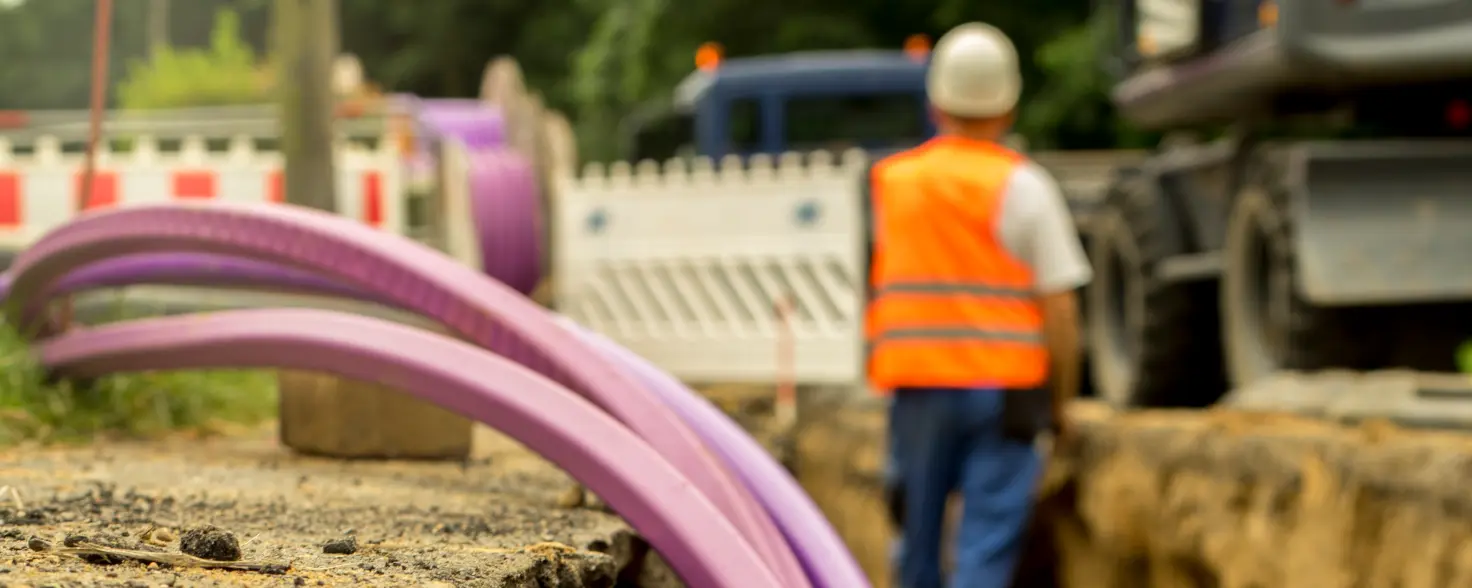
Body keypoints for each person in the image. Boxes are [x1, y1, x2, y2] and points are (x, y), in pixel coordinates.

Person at [865, 22, 1092, 588]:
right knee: (983, 552)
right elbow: (1059, 309)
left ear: (935, 101)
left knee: (915, 542)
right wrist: (1061, 403)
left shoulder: (895, 183)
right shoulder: (1026, 186)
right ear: (1009, 104)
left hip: (917, 391)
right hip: (1007, 396)